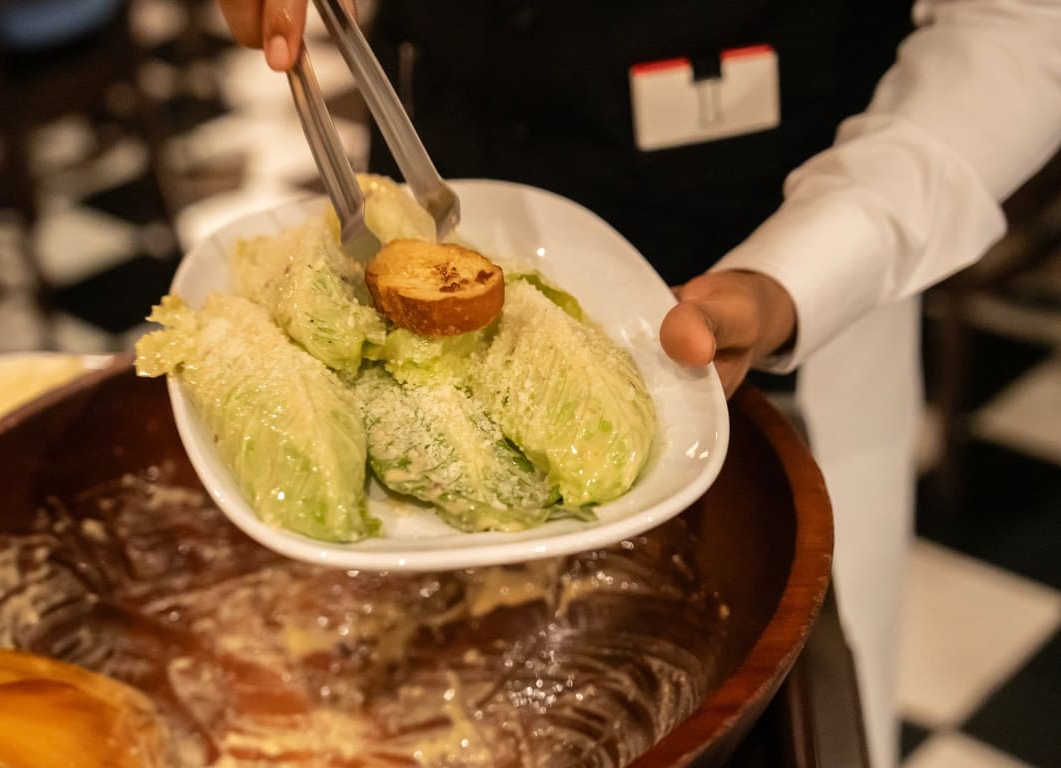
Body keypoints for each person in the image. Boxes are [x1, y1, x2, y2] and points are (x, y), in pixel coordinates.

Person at [215, 1, 1061, 766]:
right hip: (437, 177)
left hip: (779, 277)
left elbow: (1022, 26)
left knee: (755, 703)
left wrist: (803, 268)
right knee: (432, 707)